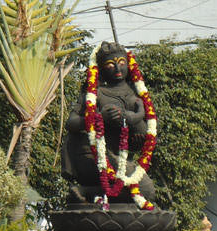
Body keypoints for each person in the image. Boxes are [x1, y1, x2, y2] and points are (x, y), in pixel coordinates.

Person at [61, 41, 156, 204]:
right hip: (92, 154)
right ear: (102, 69)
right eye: (111, 65)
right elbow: (71, 123)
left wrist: (138, 118)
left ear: (129, 65)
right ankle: (89, 191)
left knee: (146, 192)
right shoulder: (94, 93)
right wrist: (99, 118)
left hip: (118, 157)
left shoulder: (136, 97)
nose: (118, 69)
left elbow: (141, 137)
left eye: (121, 63)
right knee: (146, 190)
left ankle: (86, 192)